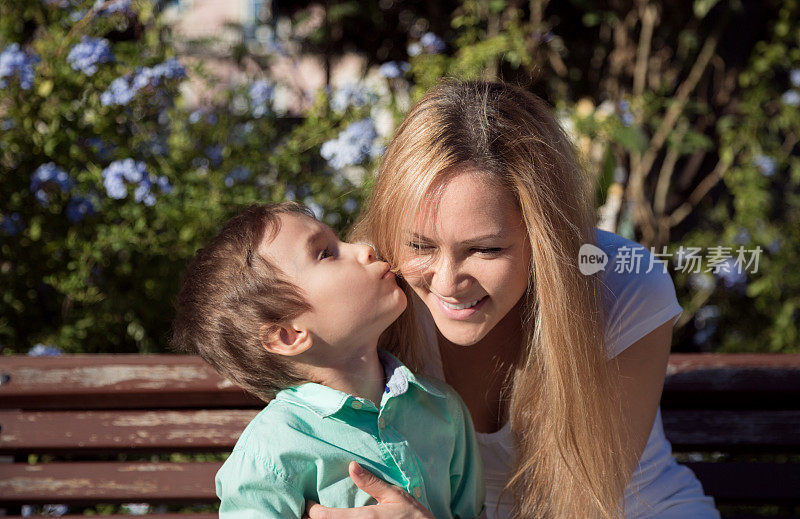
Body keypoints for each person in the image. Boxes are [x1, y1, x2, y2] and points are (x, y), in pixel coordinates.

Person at [304, 80, 720, 518]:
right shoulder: (368, 293)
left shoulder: (621, 285)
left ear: (545, 237)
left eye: (485, 249)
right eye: (420, 246)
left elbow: (579, 509)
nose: (447, 282)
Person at [171, 202, 486, 519]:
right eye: (325, 253)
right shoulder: (272, 450)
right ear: (289, 334)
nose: (364, 249)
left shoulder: (443, 409)